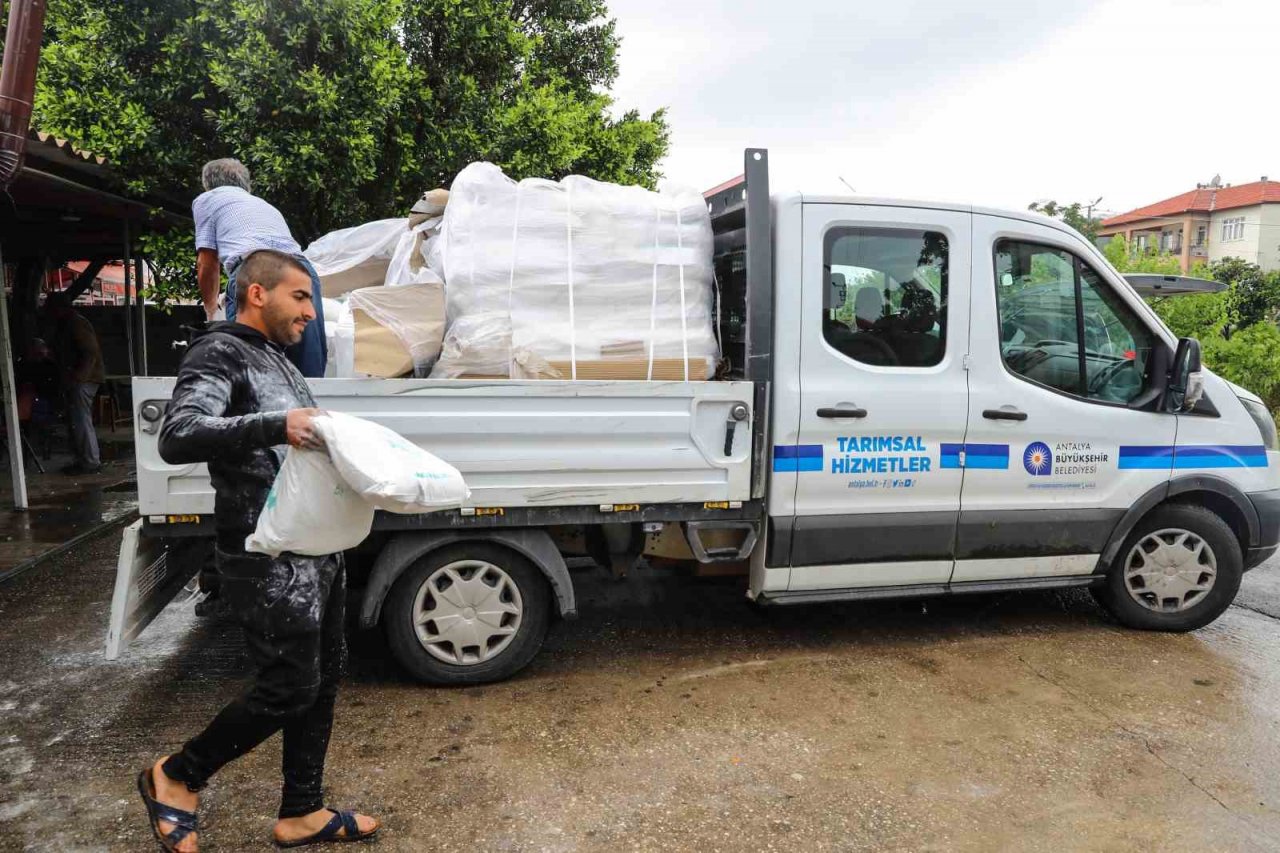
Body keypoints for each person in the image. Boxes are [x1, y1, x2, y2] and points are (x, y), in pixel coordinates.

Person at [137, 250, 378, 851]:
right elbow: (179, 433)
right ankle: (176, 775)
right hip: (263, 553)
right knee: (288, 687)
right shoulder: (219, 352)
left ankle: (302, 811)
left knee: (322, 682)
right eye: (300, 297)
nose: (311, 312)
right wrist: (276, 424)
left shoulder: (279, 360)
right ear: (256, 295)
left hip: (313, 547)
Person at [193, 158, 328, 377]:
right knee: (308, 361)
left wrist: (210, 311)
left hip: (256, 267)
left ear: (208, 184)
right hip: (300, 270)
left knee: (249, 361)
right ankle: (309, 406)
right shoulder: (266, 206)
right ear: (246, 184)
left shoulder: (207, 200)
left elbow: (207, 261)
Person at [43, 292, 104, 475]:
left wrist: (78, 377)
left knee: (81, 420)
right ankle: (85, 460)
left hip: (83, 379)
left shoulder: (76, 323)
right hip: (80, 378)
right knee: (77, 421)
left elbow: (90, 352)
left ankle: (90, 462)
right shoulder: (67, 324)